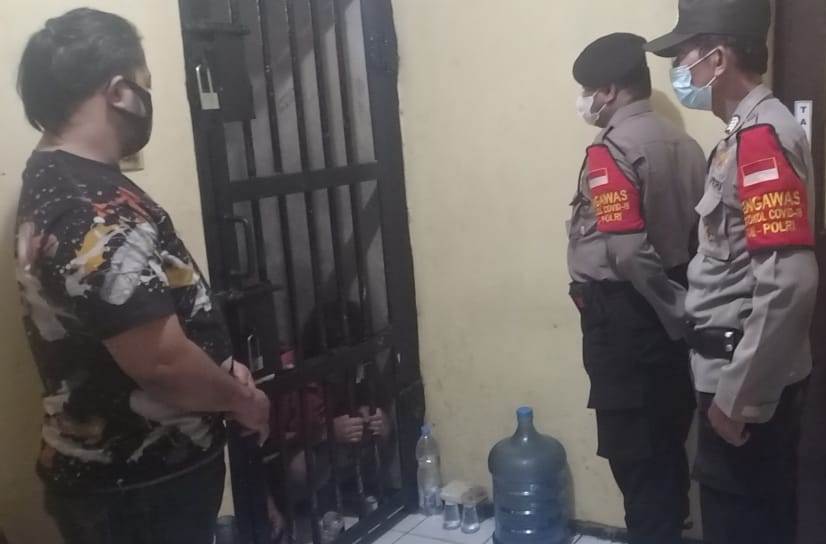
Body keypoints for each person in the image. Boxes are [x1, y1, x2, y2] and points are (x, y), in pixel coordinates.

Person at [15, 8, 271, 544]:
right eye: (145, 84)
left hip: (124, 480)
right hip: (139, 489)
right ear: (119, 93)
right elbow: (161, 364)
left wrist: (222, 373)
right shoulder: (93, 208)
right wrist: (242, 400)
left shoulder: (57, 177)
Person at [645, 1, 819, 542]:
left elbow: (790, 281)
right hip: (732, 371)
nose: (679, 69)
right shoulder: (742, 133)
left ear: (717, 60)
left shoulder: (761, 139)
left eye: (684, 56)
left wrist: (739, 399)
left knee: (743, 526)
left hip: (743, 383)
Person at [567, 33, 706, 544]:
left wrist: (671, 310)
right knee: (665, 441)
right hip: (670, 307)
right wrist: (681, 309)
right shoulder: (687, 145)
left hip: (628, 319)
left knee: (635, 458)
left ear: (609, 91)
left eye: (588, 91)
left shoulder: (611, 150)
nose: (585, 101)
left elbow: (626, 253)